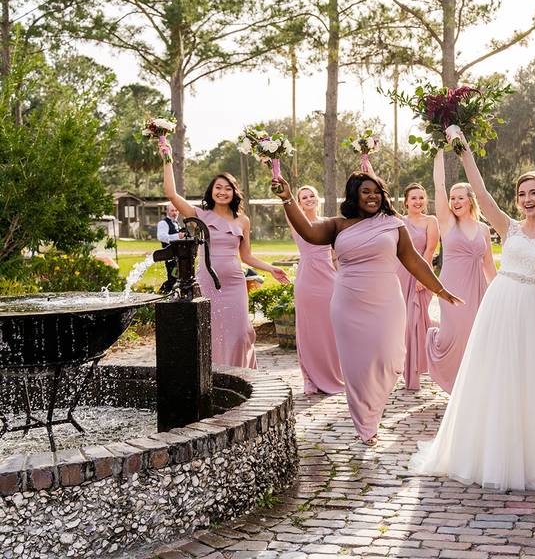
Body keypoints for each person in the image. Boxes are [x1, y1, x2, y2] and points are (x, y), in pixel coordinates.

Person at [410, 128, 535, 490]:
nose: (527, 199)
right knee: (493, 375)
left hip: (533, 309)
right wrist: (462, 147)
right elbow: (480, 191)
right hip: (498, 306)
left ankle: (533, 454)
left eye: (534, 194)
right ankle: (486, 450)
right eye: (522, 194)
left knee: (532, 378)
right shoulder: (507, 228)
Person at [272, 171, 462, 446]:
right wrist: (288, 198)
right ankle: (366, 425)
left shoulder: (393, 224)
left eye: (376, 191)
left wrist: (440, 290)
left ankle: (372, 413)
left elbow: (415, 261)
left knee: (389, 359)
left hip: (386, 302)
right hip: (348, 304)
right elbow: (310, 233)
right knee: (356, 367)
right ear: (354, 195)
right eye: (365, 191)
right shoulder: (338, 225)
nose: (372, 196)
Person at [159, 148, 289, 369]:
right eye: (218, 188)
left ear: (234, 193)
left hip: (235, 284)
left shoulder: (243, 221)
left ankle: (241, 374)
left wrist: (271, 269)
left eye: (227, 188)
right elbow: (171, 194)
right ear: (211, 192)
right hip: (208, 282)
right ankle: (215, 375)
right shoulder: (199, 215)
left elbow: (246, 256)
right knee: (212, 331)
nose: (222, 192)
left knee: (240, 333)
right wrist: (167, 159)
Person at [426, 152, 496, 393]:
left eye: (460, 198)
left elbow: (489, 266)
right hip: (451, 289)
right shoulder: (446, 223)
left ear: (470, 201)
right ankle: (448, 373)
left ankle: (468, 388)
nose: (455, 202)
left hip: (478, 289)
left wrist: (499, 294)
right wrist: (437, 154)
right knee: (453, 335)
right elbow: (438, 187)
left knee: (474, 337)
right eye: (453, 198)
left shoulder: (483, 229)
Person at [290, 185, 344, 395]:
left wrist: (342, 277)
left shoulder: (329, 223)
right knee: (307, 329)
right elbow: (287, 203)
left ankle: (333, 373)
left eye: (312, 195)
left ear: (318, 198)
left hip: (329, 280)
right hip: (306, 280)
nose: (309, 199)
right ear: (299, 202)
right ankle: (309, 378)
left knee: (330, 329)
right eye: (304, 197)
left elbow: (336, 254)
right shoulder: (296, 221)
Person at [398, 183, 440, 390]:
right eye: (413, 198)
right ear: (406, 201)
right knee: (402, 324)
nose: (418, 201)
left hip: (421, 275)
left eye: (421, 197)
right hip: (400, 275)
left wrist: (422, 277)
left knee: (415, 322)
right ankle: (406, 372)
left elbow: (430, 250)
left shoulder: (431, 221)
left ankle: (416, 372)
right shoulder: (399, 221)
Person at [157, 203, 183, 294]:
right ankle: (162, 294)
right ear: (167, 211)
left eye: (176, 210)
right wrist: (178, 236)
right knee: (173, 279)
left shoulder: (177, 223)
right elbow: (161, 237)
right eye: (172, 210)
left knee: (179, 279)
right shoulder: (163, 223)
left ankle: (172, 296)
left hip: (179, 256)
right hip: (169, 256)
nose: (175, 213)